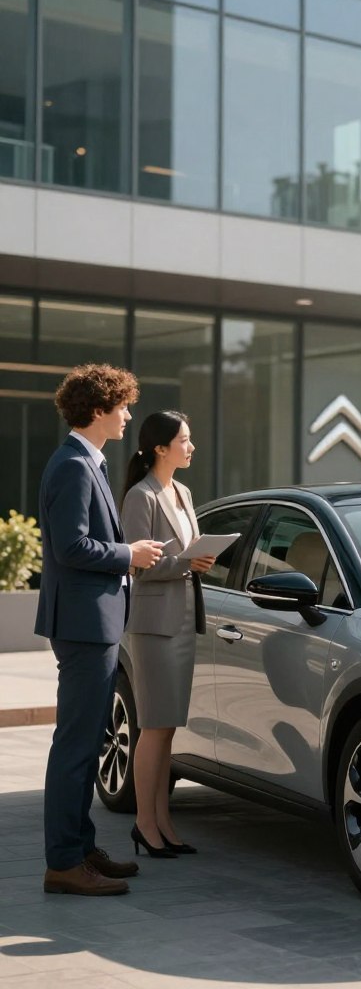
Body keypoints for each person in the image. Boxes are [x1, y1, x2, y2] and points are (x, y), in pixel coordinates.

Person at [35, 364, 164, 896]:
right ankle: (64, 863)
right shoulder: (72, 466)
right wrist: (128, 555)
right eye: (122, 407)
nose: (128, 415)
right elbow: (71, 547)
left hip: (95, 622)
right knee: (76, 746)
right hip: (85, 626)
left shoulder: (88, 461)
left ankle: (80, 849)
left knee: (88, 742)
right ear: (98, 410)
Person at [121, 411, 216, 859]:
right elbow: (138, 562)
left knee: (168, 729)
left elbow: (184, 553)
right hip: (154, 625)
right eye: (185, 439)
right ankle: (144, 823)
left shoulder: (183, 492)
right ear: (161, 447)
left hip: (182, 621)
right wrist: (186, 563)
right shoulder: (141, 497)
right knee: (153, 727)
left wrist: (200, 559)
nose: (191, 446)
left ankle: (162, 821)